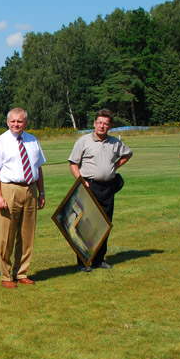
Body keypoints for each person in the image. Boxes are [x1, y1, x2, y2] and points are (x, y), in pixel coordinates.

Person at [0, 108, 46, 288]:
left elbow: (38, 168)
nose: (16, 125)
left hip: (30, 189)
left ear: (26, 122)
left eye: (19, 121)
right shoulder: (0, 142)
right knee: (7, 235)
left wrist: (41, 192)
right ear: (7, 122)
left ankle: (22, 273)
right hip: (9, 189)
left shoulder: (33, 140)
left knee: (27, 235)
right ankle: (6, 276)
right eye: (12, 121)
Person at [67, 109, 132, 272]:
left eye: (106, 124)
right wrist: (81, 180)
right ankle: (83, 261)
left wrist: (114, 167)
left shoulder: (114, 142)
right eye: (100, 123)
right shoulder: (83, 141)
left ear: (110, 126)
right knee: (85, 225)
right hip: (89, 186)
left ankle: (99, 259)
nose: (102, 126)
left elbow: (127, 154)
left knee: (105, 223)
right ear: (94, 123)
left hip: (108, 187)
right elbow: (73, 163)